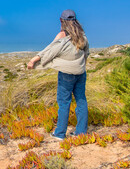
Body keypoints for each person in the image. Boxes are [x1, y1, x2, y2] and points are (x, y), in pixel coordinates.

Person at [27, 9, 89, 140]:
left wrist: (33, 60)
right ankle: (81, 132)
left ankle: (60, 133)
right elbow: (86, 54)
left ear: (62, 21)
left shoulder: (62, 36)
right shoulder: (82, 36)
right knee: (81, 101)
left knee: (64, 102)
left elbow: (49, 51)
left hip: (67, 74)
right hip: (81, 72)